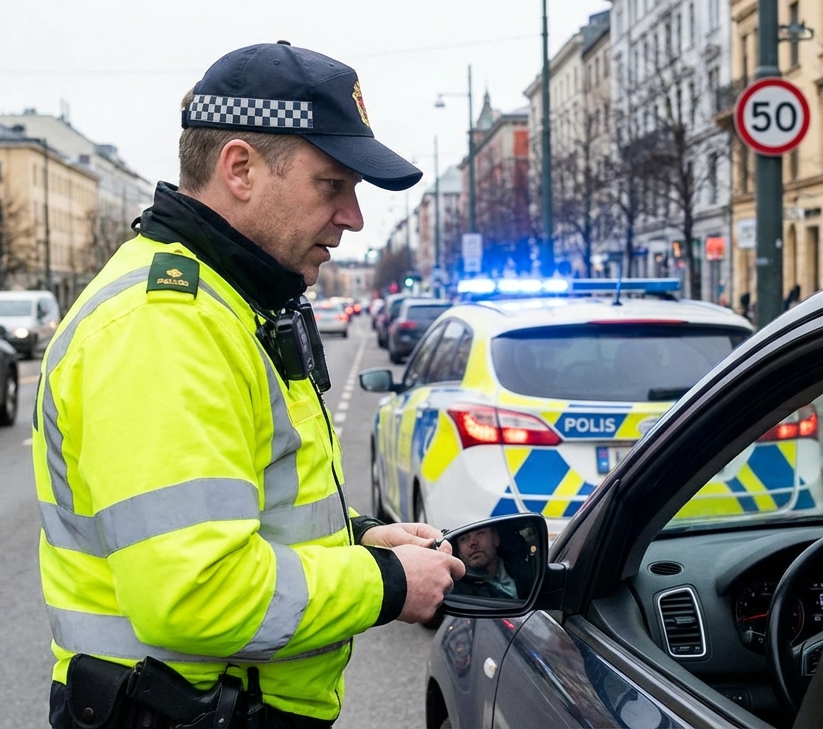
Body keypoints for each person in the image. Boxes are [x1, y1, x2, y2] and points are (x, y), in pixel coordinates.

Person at [35, 42, 465, 729]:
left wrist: (358, 540)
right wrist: (386, 583)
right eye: (332, 185)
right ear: (240, 169)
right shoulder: (165, 325)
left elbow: (249, 503)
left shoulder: (227, 303)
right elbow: (196, 592)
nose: (353, 217)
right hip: (188, 713)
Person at [450, 525, 536, 600]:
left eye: (480, 533)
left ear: (496, 538)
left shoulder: (526, 572)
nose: (473, 543)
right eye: (464, 538)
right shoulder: (455, 590)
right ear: (458, 551)